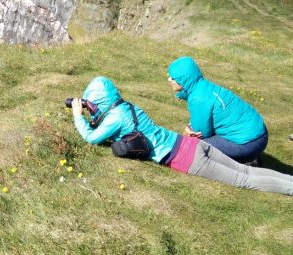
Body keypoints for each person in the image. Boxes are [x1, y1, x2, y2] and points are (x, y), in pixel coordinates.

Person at [70, 76, 293, 196]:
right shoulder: (127, 107)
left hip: (187, 159)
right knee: (245, 171)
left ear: (99, 101)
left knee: (243, 180)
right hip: (189, 144)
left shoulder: (114, 118)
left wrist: (78, 116)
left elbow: (92, 138)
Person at [167, 57, 267, 163]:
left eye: (173, 78)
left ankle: (247, 160)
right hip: (259, 133)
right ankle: (246, 155)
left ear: (184, 79)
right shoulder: (204, 87)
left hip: (249, 142)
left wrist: (188, 132)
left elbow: (200, 133)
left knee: (194, 147)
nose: (169, 79)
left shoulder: (198, 98)